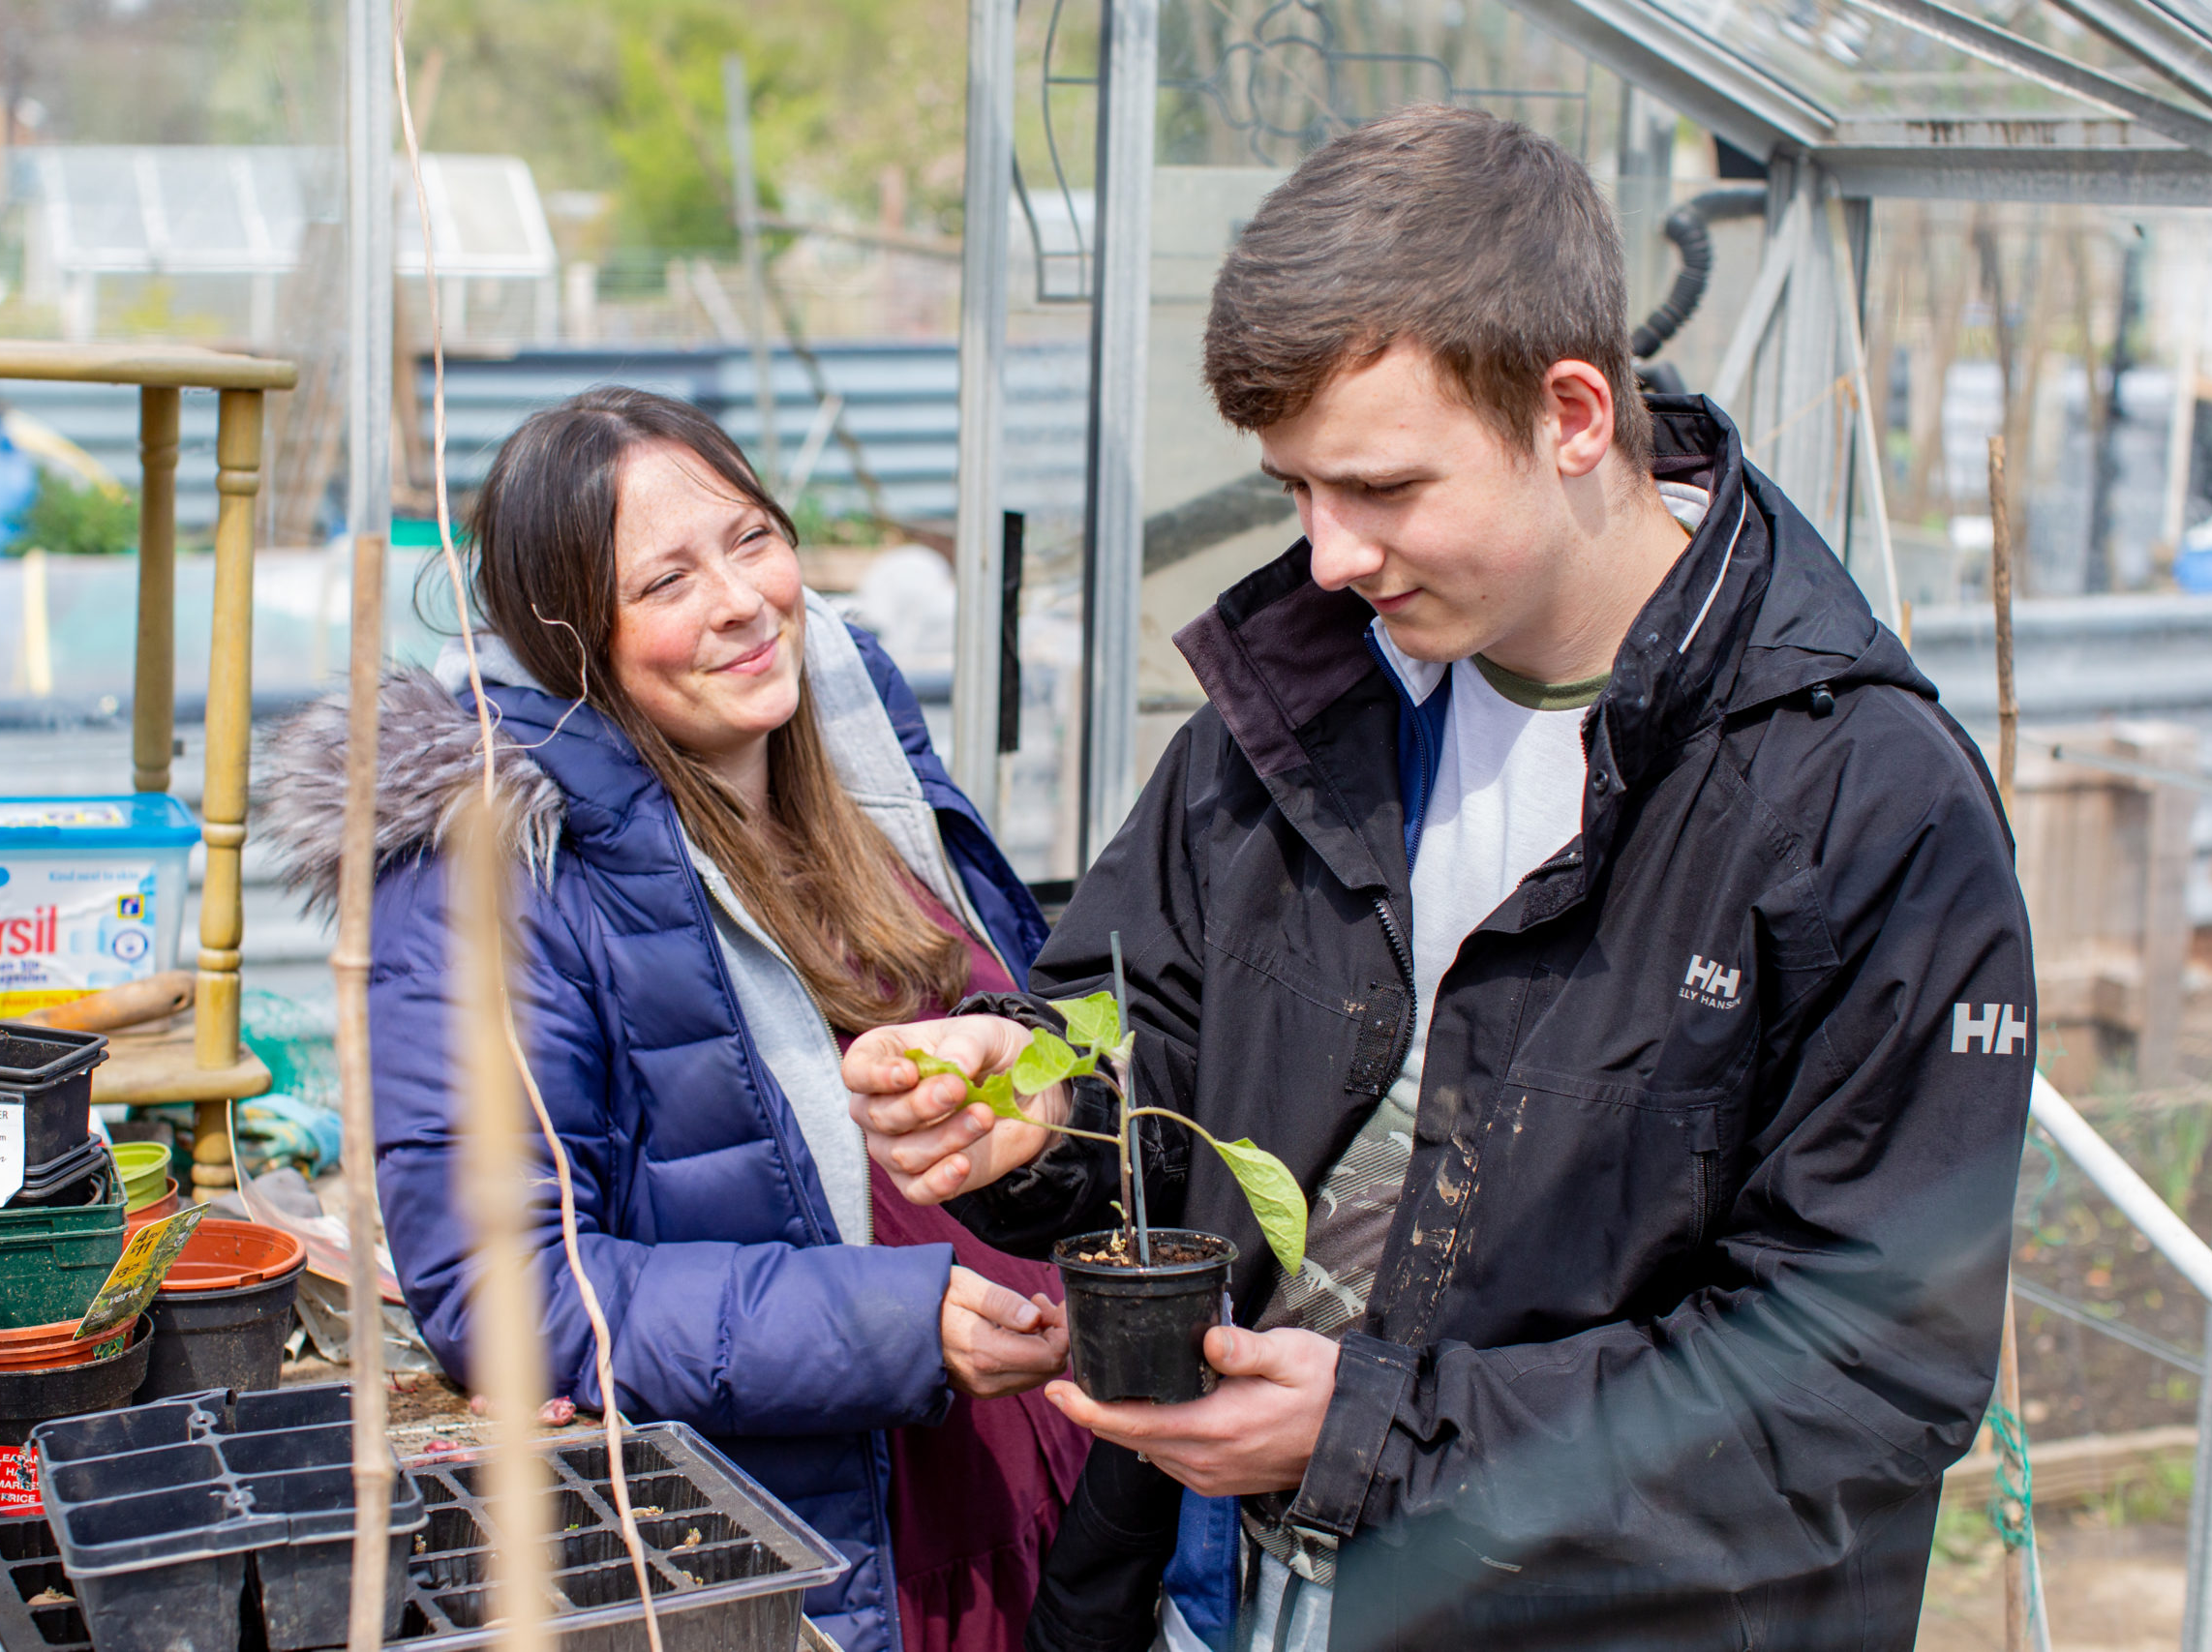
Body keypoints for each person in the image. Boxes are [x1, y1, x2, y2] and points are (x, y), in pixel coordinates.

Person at [847, 105, 2035, 1651]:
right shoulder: (1302, 713)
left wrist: (1378, 1440)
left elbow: (1860, 1382)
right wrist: (1032, 1097)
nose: (1331, 555)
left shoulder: (1854, 804)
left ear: (1574, 413)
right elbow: (1143, 1037)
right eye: (1295, 492)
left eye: (1385, 489)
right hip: (1228, 1586)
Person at [264, 388, 1089, 1652]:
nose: (743, 602)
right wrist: (887, 1325)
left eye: (753, 539)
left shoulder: (855, 747)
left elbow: (1033, 1030)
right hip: (835, 1530)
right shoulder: (491, 871)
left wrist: (1046, 1089)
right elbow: (506, 1289)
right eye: (664, 583)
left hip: (1044, 1470)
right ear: (571, 640)